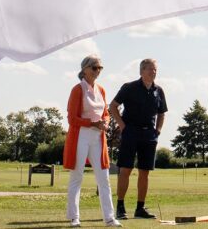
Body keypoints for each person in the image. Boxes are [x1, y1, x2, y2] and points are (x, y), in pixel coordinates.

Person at [64, 54, 120, 227]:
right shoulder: (77, 89)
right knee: (77, 176)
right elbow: (72, 119)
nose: (98, 71)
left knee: (104, 178)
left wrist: (105, 122)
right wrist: (92, 123)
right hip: (81, 135)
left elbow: (105, 113)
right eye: (95, 67)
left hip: (98, 137)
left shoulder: (101, 90)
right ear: (85, 69)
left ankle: (109, 218)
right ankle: (74, 217)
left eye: (100, 68)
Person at [109, 58, 167, 220]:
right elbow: (113, 106)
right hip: (131, 133)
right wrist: (122, 126)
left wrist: (158, 131)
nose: (153, 72)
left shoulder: (159, 90)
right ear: (141, 71)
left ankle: (140, 209)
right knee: (125, 170)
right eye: (150, 69)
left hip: (149, 135)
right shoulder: (129, 87)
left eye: (155, 70)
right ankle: (120, 207)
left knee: (144, 172)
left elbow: (162, 113)